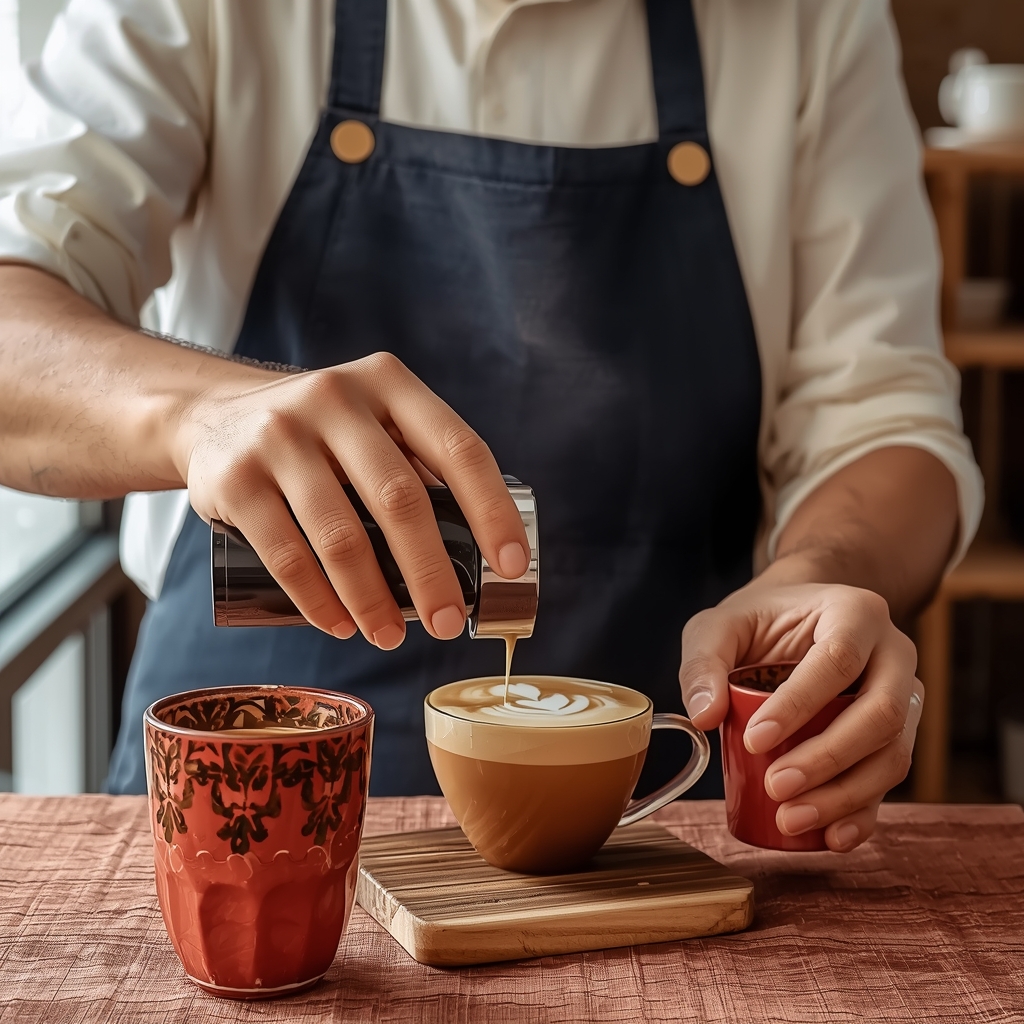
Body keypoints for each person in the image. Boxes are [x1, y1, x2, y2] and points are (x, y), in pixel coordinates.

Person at [0, 0, 981, 852]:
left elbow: (887, 418)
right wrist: (199, 413)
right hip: (248, 800)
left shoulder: (812, 19)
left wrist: (823, 571)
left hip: (650, 817)